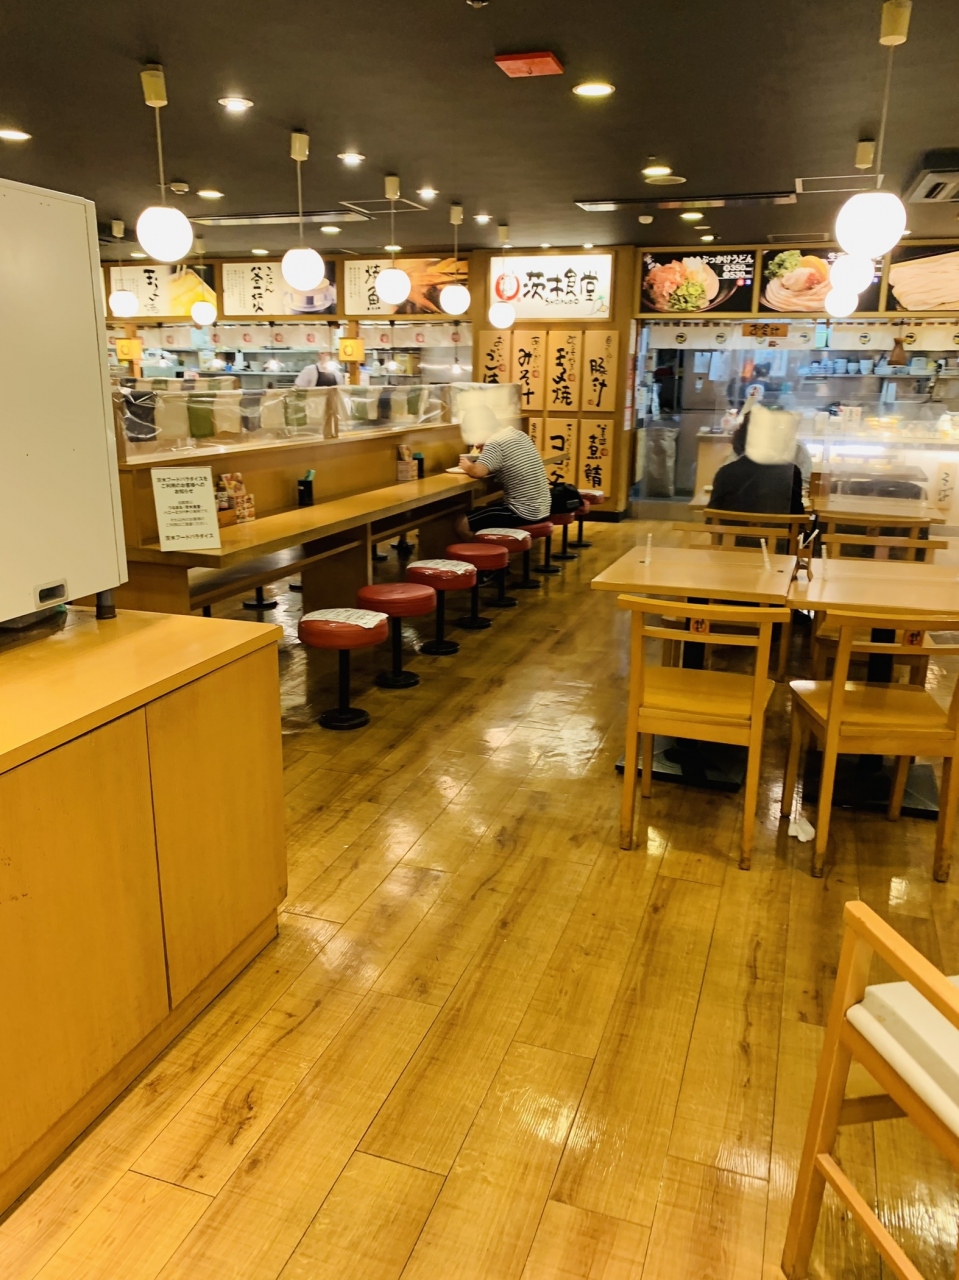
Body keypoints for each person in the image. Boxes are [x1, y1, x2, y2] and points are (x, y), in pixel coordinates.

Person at [455, 423, 551, 536]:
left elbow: (478, 472)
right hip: (543, 509)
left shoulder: (495, 442)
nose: (475, 444)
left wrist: (467, 466)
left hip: (523, 512)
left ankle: (488, 548)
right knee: (484, 510)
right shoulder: (518, 434)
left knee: (462, 523)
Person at [708, 405, 804, 514]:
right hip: (775, 526)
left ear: (742, 436)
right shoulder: (791, 473)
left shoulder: (725, 473)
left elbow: (711, 517)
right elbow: (797, 517)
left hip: (734, 526)